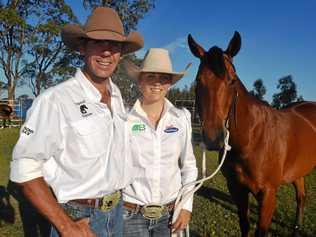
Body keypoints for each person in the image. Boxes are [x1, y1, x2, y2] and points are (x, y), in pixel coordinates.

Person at [10, 7, 143, 237]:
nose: (107, 52)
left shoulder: (118, 96)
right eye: (98, 42)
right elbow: (24, 167)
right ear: (82, 47)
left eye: (115, 45)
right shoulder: (55, 100)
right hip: (78, 217)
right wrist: (66, 225)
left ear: (121, 53)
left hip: (117, 212)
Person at [122, 48, 198, 236]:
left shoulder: (181, 119)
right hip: (130, 215)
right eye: (151, 76)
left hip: (169, 216)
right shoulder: (124, 119)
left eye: (164, 77)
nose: (157, 82)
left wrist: (186, 206)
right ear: (140, 81)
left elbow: (189, 166)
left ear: (170, 83)